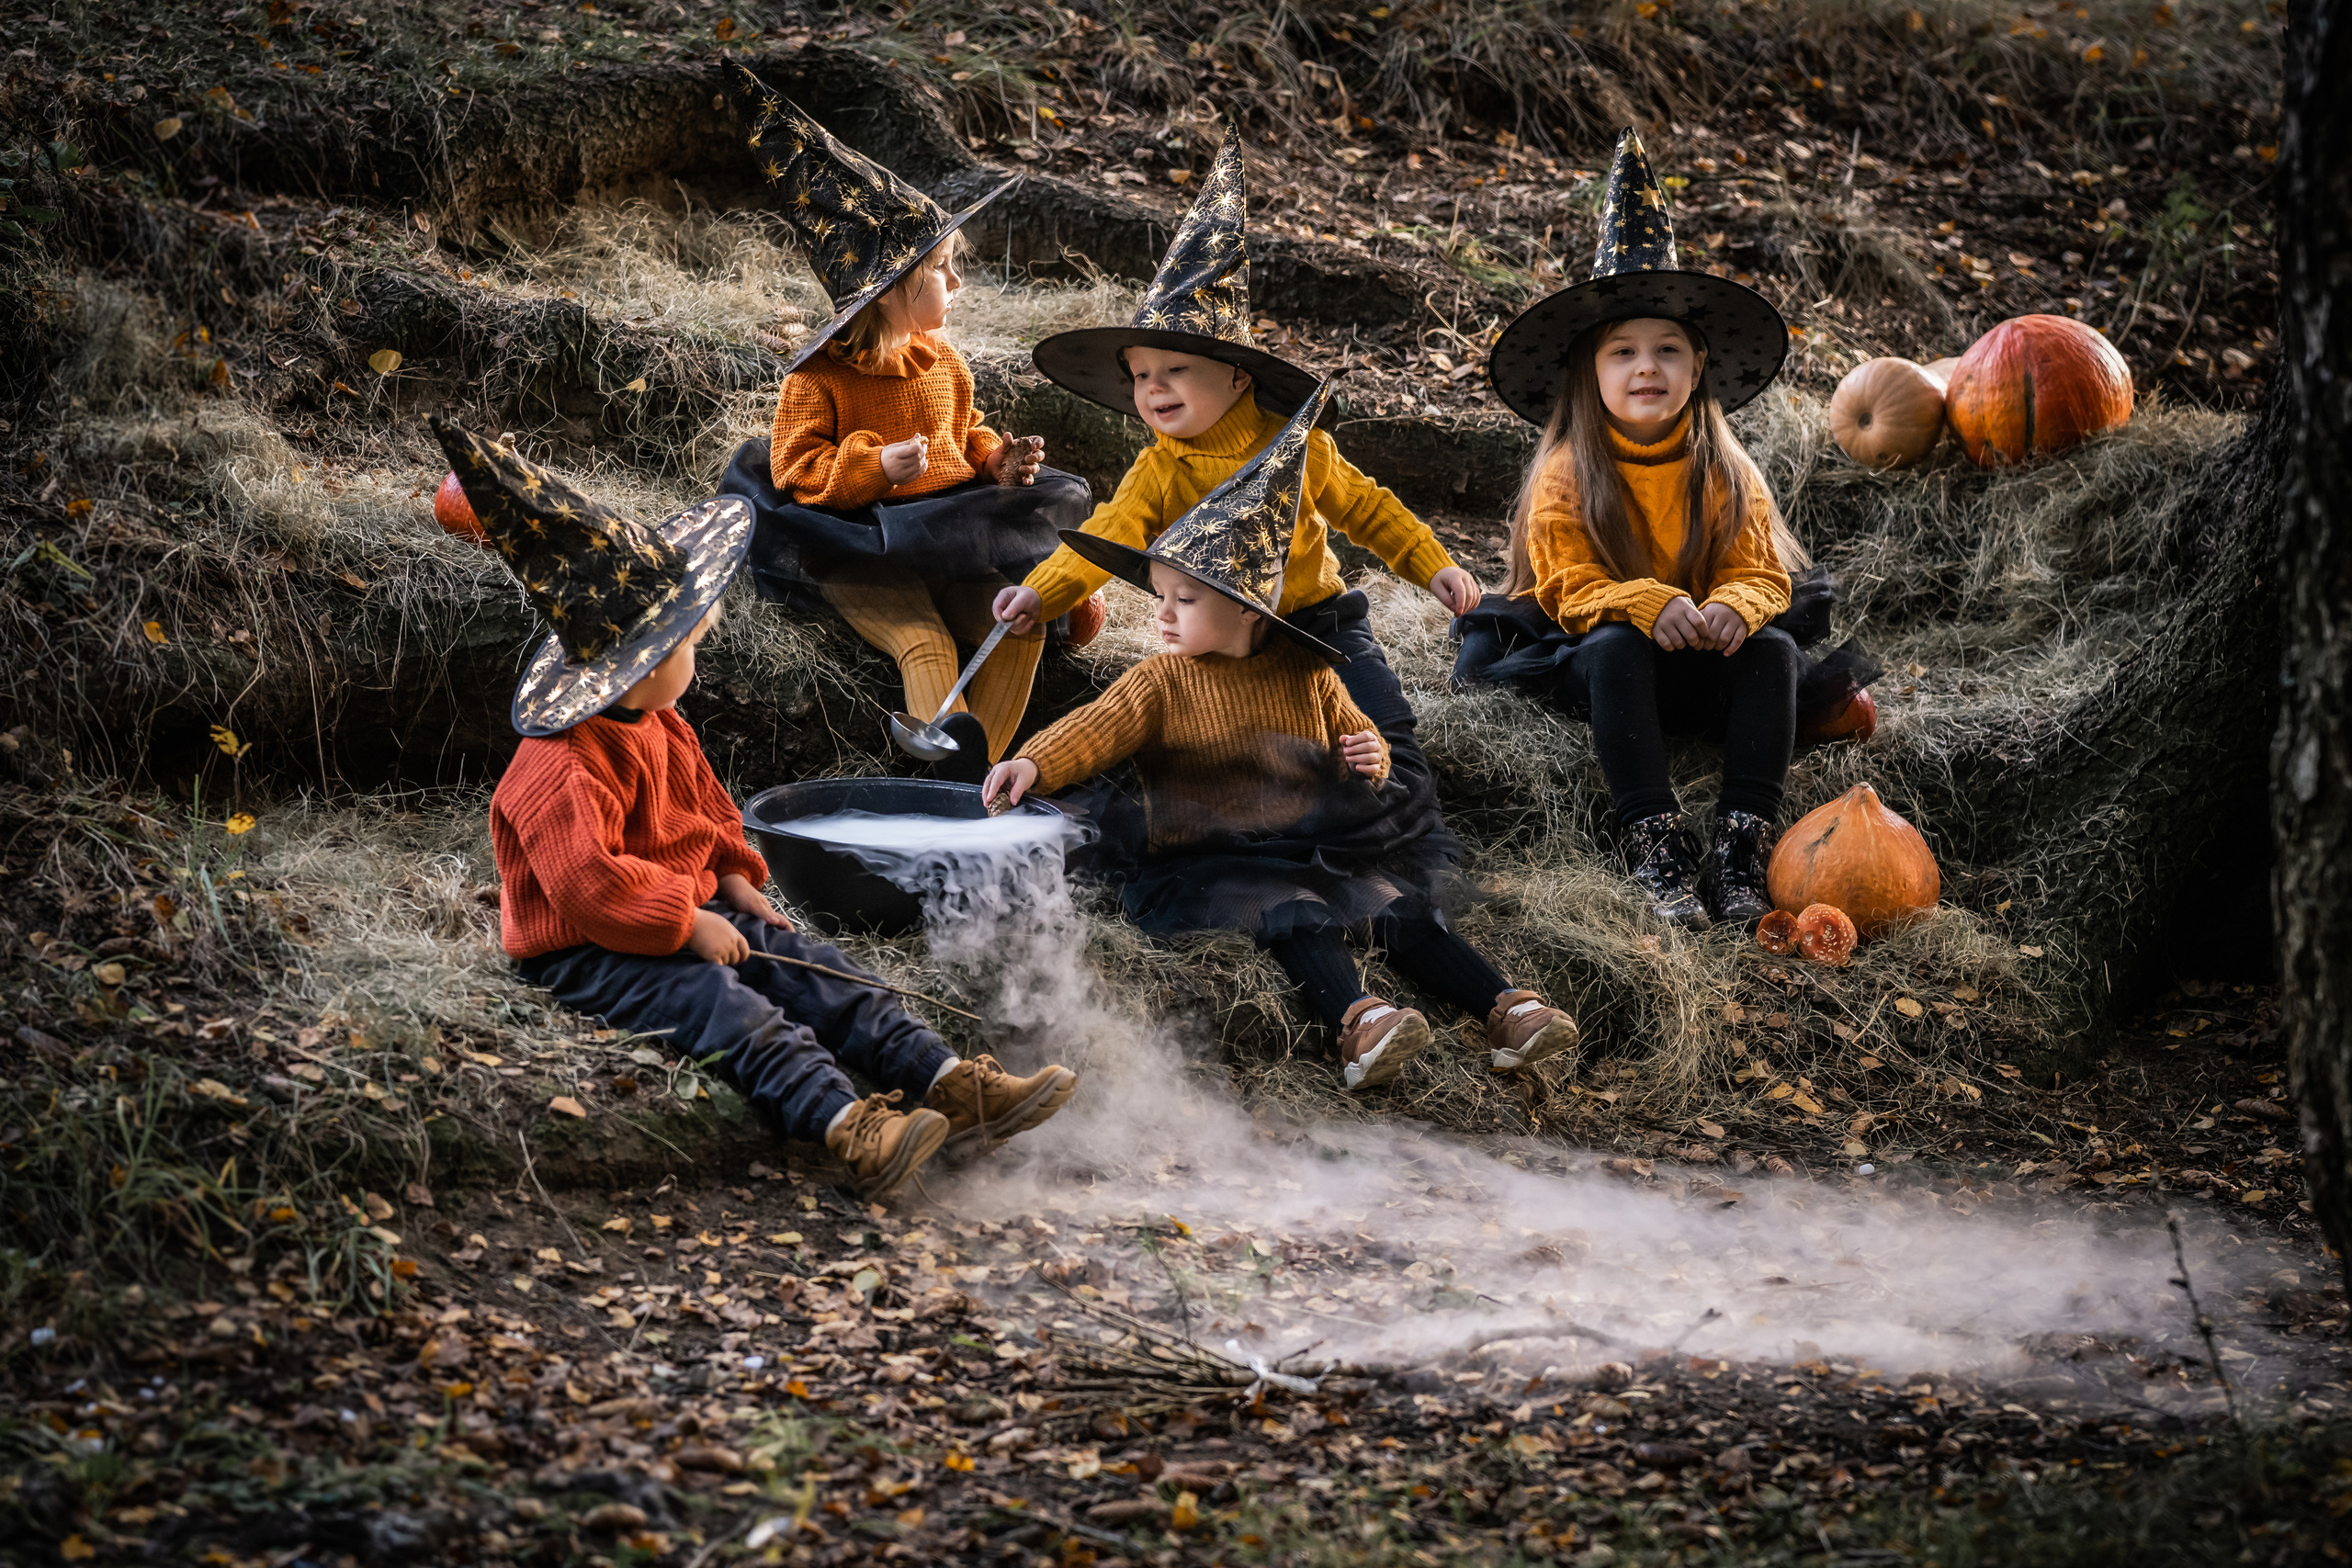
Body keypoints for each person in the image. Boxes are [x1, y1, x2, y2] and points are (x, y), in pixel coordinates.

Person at [433, 414, 1077, 1201]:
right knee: (721, 1007)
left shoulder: (659, 722)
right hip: (591, 948)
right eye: (688, 648)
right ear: (637, 666)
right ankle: (850, 1127)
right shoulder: (556, 770)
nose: (694, 659)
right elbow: (592, 887)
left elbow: (704, 814)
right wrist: (688, 922)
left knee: (818, 969)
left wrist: (735, 883)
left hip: (677, 907)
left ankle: (943, 1078)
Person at [984, 382, 1577, 1091]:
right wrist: (1030, 763)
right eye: (1161, 597)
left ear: (1251, 614)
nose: (1165, 617)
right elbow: (1091, 732)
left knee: (1398, 908)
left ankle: (1508, 1009)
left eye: (1187, 601)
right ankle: (1359, 1022)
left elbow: (1358, 730)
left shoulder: (1309, 673)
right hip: (1212, 857)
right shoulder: (1161, 681)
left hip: (1305, 844)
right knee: (1297, 917)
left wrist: (1371, 752)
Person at [995, 125, 1476, 860]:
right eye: (1140, 374)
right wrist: (1043, 593)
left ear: (1238, 375)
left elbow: (1368, 507)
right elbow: (1116, 529)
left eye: (1175, 371)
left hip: (1315, 626)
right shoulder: (1160, 466)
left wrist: (1432, 563)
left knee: (1380, 737)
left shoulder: (1298, 446)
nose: (1152, 390)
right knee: (1214, 752)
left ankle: (1414, 858)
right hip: (1219, 634)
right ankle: (1256, 850)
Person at [1457, 128, 1875, 931]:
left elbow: (1761, 572)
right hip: (1605, 666)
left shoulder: (1723, 466)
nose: (1645, 366)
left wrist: (1736, 607)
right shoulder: (1567, 471)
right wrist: (1647, 603)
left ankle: (1741, 839)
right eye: (1623, 352)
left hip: (1701, 665)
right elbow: (1569, 587)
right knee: (1614, 645)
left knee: (1777, 649)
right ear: (1591, 373)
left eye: (1666, 350)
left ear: (1697, 367)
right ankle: (1655, 840)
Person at [715, 62, 1095, 782]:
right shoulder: (818, 378)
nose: (957, 283)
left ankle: (982, 777)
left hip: (944, 542)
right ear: (889, 290)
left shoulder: (942, 364)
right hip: (856, 549)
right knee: (926, 644)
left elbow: (966, 430)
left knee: (1015, 627)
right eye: (944, 268)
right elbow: (798, 470)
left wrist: (993, 461)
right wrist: (870, 466)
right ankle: (938, 788)